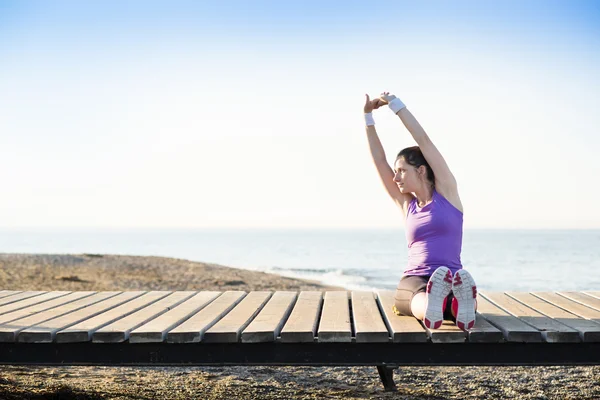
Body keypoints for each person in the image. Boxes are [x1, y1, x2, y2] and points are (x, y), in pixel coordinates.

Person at [363, 91, 478, 331]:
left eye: (402, 170)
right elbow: (378, 161)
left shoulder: (447, 191)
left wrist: (395, 104)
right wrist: (368, 118)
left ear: (421, 170)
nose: (395, 178)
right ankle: (452, 307)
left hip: (442, 277)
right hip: (432, 278)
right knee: (420, 296)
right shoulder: (407, 204)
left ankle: (440, 305)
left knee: (409, 298)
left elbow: (423, 140)